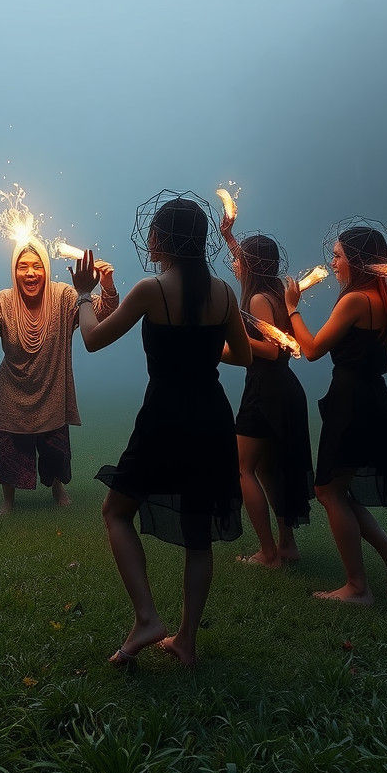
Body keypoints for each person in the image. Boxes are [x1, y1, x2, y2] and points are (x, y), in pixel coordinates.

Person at [70, 194, 252, 668]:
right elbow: (245, 355)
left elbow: (92, 338)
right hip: (211, 416)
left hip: (164, 415)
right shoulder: (223, 294)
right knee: (198, 532)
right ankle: (186, 641)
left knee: (115, 511)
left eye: (154, 232)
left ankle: (148, 617)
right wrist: (203, 354)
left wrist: (85, 295)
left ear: (164, 239)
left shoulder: (152, 290)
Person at [0, 238, 118, 515]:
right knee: (10, 451)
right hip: (13, 392)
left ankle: (58, 488)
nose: (30, 273)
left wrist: (106, 285)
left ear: (46, 268)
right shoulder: (2, 300)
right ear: (14, 270)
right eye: (23, 266)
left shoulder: (65, 296)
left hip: (52, 389)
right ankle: (8, 500)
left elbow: (102, 313)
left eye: (37, 266)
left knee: (55, 450)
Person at [284, 225, 387, 605]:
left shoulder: (356, 299)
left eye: (339, 256)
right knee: (336, 489)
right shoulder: (378, 297)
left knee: (327, 490)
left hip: (354, 403)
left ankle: (357, 587)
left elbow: (311, 350)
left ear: (355, 260)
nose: (333, 263)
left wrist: (292, 308)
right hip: (369, 399)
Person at [220, 223, 313, 567]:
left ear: (250, 265)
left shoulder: (258, 299)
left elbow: (274, 351)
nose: (234, 264)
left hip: (266, 388)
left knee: (242, 468)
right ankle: (286, 546)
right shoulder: (273, 289)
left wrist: (224, 342)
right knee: (272, 468)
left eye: (239, 259)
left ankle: (268, 552)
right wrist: (230, 237)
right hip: (283, 388)